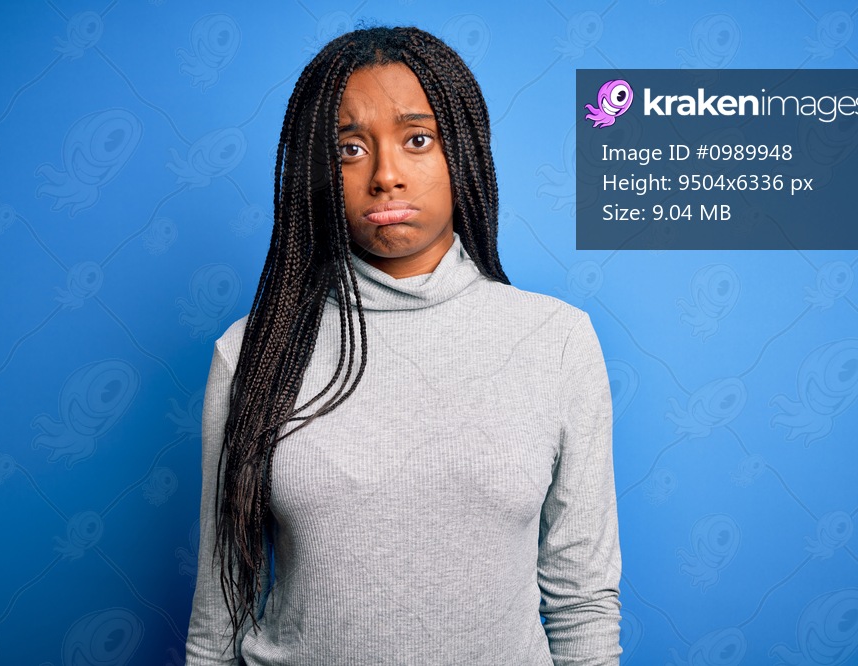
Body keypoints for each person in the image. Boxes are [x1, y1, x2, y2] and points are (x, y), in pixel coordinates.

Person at [186, 26, 621, 665]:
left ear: (463, 154)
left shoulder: (556, 340)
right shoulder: (252, 351)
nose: (385, 175)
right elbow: (218, 614)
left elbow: (581, 598)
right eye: (349, 150)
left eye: (417, 139)